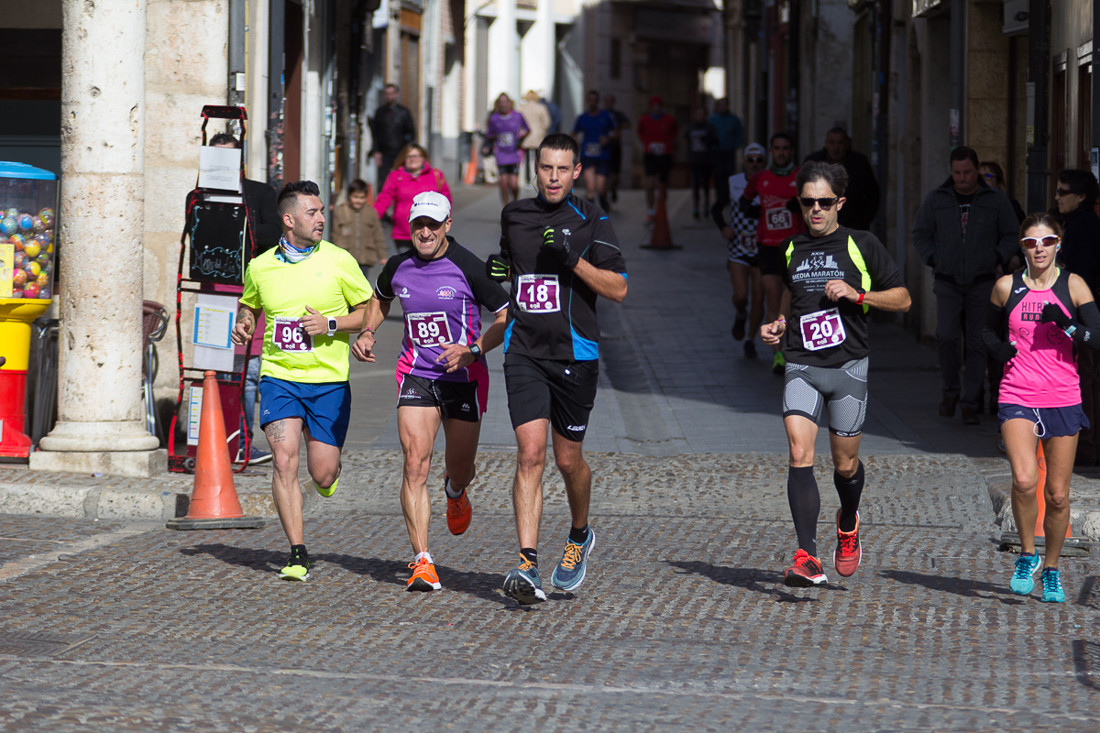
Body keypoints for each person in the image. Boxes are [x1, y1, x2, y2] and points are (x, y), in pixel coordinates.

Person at [486, 133, 628, 605]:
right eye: (546, 167)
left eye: (562, 169)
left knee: (568, 461)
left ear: (576, 171)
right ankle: (527, 563)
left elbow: (618, 289)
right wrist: (497, 272)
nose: (553, 177)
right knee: (530, 455)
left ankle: (579, 534)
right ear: (535, 168)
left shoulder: (592, 218)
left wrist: (573, 261)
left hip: (574, 355)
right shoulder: (515, 214)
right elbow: (511, 267)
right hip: (523, 350)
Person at [759, 161, 911, 587]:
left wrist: (858, 294)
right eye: (807, 203)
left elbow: (903, 299)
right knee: (798, 454)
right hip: (803, 365)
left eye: (824, 202)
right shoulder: (791, 249)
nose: (816, 210)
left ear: (840, 202)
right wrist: (777, 326)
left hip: (848, 367)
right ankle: (807, 554)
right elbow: (793, 302)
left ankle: (848, 520)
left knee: (845, 466)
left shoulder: (861, 243)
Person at [351, 191, 509, 592]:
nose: (425, 231)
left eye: (433, 225)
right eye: (419, 224)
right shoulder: (397, 266)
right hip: (416, 375)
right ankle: (422, 559)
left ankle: (456, 490)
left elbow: (506, 316)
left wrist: (473, 350)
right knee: (414, 464)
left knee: (460, 468)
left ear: (447, 226)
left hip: (463, 379)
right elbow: (378, 298)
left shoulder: (468, 267)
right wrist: (368, 331)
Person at [232, 180, 373, 581]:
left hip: (328, 380)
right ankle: (297, 552)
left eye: (323, 211)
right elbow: (249, 304)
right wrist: (244, 324)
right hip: (279, 378)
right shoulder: (261, 266)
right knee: (282, 460)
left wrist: (331, 323)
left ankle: (327, 476)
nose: (322, 219)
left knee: (323, 472)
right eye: (313, 213)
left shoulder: (339, 260)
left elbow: (369, 311)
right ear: (289, 219)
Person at [981, 212, 1100, 603]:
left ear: (1058, 244)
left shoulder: (1074, 285)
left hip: (1063, 397)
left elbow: (1096, 337)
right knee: (1025, 480)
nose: (1039, 249)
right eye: (1031, 243)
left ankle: (1051, 569)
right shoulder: (1006, 287)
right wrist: (997, 349)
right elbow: (983, 327)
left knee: (1059, 494)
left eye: (1047, 241)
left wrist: (1066, 324)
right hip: (1017, 392)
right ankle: (1027, 556)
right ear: (1022, 247)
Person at [912, 145, 1019, 425]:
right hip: (947, 280)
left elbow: (1011, 234)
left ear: (976, 169)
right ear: (951, 171)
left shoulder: (995, 199)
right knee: (946, 337)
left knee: (977, 342)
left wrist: (996, 257)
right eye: (957, 173)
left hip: (983, 281)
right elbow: (920, 233)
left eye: (967, 172)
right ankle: (950, 391)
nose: (962, 178)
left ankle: (971, 401)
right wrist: (934, 258)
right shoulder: (937, 198)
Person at [207, 132, 280, 465]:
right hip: (213, 289)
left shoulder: (260, 193)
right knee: (218, 369)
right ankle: (218, 440)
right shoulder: (201, 194)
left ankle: (244, 442)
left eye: (229, 156)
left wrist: (238, 221)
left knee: (247, 371)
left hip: (251, 287)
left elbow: (273, 232)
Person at [740, 131, 803, 375]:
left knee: (796, 300)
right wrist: (753, 211)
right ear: (771, 151)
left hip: (794, 246)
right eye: (776, 148)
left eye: (785, 148)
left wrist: (797, 205)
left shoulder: (800, 176)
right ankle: (778, 354)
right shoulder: (760, 178)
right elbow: (745, 202)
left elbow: (813, 203)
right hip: (766, 245)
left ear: (791, 151)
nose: (781, 152)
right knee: (773, 297)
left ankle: (794, 347)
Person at [1053, 169, 1100, 465]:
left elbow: (1080, 277)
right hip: (1083, 313)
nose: (1057, 197)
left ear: (1081, 196)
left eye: (1062, 192)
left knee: (1085, 378)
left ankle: (1087, 448)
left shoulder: (1084, 227)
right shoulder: (1076, 223)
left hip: (1082, 314)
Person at [713, 142, 767, 358]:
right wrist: (723, 227)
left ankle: (749, 340)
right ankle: (740, 312)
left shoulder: (769, 181)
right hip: (738, 245)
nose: (754, 164)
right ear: (744, 161)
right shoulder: (734, 182)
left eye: (758, 160)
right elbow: (717, 208)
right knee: (741, 295)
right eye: (750, 160)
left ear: (764, 162)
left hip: (763, 246)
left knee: (758, 297)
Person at [374, 143, 451, 252]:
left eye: (417, 156)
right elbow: (384, 198)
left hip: (429, 231)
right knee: (407, 266)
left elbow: (446, 200)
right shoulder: (396, 176)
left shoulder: (435, 175)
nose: (413, 159)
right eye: (409, 156)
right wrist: (372, 217)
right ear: (404, 158)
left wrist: (444, 223)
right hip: (403, 233)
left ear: (423, 158)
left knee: (428, 266)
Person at [804, 127, 880, 231]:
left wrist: (864, 220)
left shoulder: (859, 163)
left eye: (840, 143)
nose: (836, 148)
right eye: (832, 142)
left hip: (853, 226)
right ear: (826, 144)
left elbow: (873, 194)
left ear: (846, 144)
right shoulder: (813, 162)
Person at [331, 178, 387, 283]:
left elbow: (378, 234)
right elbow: (336, 234)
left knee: (362, 282)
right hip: (347, 254)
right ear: (349, 195)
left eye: (362, 198)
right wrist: (335, 254)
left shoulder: (371, 212)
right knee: (348, 282)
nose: (358, 200)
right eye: (355, 197)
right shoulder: (341, 210)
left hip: (365, 255)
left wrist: (382, 255)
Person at [571, 90, 618, 212]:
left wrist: (608, 138)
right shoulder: (582, 118)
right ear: (587, 101)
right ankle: (591, 212)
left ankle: (603, 199)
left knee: (600, 187)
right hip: (588, 155)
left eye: (595, 100)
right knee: (591, 187)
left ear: (598, 102)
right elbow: (573, 133)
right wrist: (576, 142)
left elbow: (617, 132)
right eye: (590, 100)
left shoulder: (606, 116)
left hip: (603, 156)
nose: (592, 103)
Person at [636, 95, 679, 225]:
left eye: (658, 105)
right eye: (654, 105)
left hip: (665, 155)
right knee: (650, 182)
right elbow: (640, 132)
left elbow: (675, 132)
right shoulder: (645, 119)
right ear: (651, 107)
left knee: (662, 184)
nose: (656, 108)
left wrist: (668, 144)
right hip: (650, 155)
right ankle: (650, 212)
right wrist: (647, 143)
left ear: (662, 106)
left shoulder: (669, 120)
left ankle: (661, 210)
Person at [369, 84, 416, 191]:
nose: (389, 96)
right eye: (387, 94)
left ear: (396, 95)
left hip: (400, 152)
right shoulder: (380, 112)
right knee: (384, 181)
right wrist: (376, 151)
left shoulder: (403, 112)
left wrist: (408, 152)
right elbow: (375, 134)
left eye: (391, 94)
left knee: (402, 180)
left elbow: (411, 132)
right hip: (384, 153)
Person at [485, 93, 529, 205]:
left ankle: (515, 202)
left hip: (514, 153)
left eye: (506, 102)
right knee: (503, 183)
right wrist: (489, 144)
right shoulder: (494, 119)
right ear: (498, 104)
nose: (504, 104)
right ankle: (506, 207)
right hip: (501, 154)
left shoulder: (518, 116)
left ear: (510, 103)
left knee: (514, 184)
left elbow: (528, 129)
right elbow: (489, 134)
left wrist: (522, 136)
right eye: (501, 102)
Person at [708, 98, 744, 206]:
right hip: (717, 152)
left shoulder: (734, 119)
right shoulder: (713, 120)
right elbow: (708, 135)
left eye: (725, 105)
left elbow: (739, 133)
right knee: (718, 175)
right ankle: (720, 197)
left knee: (729, 174)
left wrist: (734, 145)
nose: (722, 107)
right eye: (721, 105)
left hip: (729, 151)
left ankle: (728, 197)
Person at [685, 105, 718, 219]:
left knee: (706, 184)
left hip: (707, 159)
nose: (700, 116)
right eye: (698, 114)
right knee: (695, 184)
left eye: (702, 114)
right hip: (695, 159)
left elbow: (715, 141)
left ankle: (706, 205)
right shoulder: (691, 128)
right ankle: (696, 206)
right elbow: (686, 140)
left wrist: (707, 141)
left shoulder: (709, 127)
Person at [520, 91, 552, 187]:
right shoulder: (541, 108)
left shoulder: (521, 108)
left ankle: (526, 180)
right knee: (538, 158)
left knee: (526, 159)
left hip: (526, 136)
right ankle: (538, 179)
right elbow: (547, 123)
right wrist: (542, 129)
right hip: (538, 135)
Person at [603, 93, 629, 204]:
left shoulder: (618, 115)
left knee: (614, 175)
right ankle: (604, 195)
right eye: (606, 101)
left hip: (615, 147)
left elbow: (628, 125)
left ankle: (613, 190)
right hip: (604, 148)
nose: (608, 103)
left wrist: (617, 126)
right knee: (604, 174)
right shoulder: (601, 114)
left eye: (610, 101)